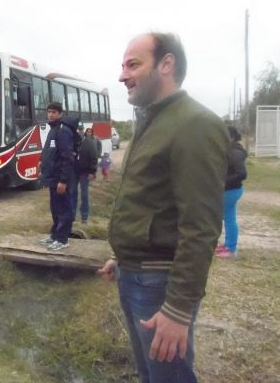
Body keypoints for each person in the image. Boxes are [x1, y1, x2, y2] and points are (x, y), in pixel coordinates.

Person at [97, 32, 229, 383]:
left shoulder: (195, 124)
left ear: (166, 64)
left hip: (159, 284)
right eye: (123, 65)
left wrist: (179, 309)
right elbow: (149, 201)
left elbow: (201, 226)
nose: (122, 75)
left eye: (133, 64)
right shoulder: (151, 119)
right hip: (135, 272)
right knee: (151, 376)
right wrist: (123, 257)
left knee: (168, 378)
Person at [38, 102, 76, 251]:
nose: (50, 114)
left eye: (54, 112)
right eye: (49, 112)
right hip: (53, 178)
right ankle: (54, 235)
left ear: (60, 114)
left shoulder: (63, 131)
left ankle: (62, 239)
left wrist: (63, 181)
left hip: (61, 179)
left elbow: (67, 157)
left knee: (64, 209)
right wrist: (42, 161)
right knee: (55, 208)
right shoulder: (52, 129)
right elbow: (49, 151)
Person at [215, 125, 247, 258]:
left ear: (231, 137)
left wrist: (223, 181)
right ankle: (228, 245)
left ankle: (230, 248)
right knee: (228, 218)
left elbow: (242, 174)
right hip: (230, 190)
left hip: (230, 190)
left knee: (228, 218)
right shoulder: (231, 150)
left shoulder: (235, 152)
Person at [70, 127, 98, 223]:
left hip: (85, 172)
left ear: (84, 133)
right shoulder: (73, 143)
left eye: (82, 131)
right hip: (74, 172)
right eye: (78, 131)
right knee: (72, 193)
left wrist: (92, 172)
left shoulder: (89, 143)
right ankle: (72, 215)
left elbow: (94, 157)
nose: (80, 133)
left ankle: (84, 216)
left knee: (84, 194)